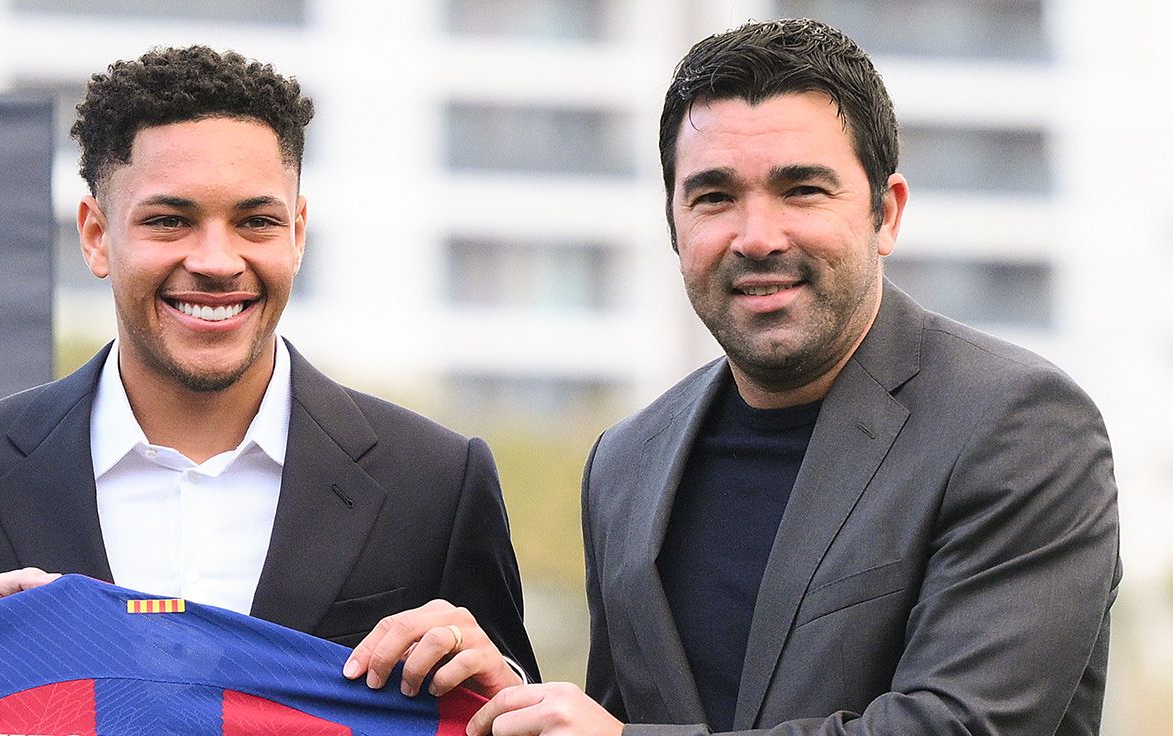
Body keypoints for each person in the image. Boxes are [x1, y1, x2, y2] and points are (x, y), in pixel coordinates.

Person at [464, 18, 1121, 736]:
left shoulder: (1020, 428)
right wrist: (502, 701)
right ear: (674, 226)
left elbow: (954, 726)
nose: (757, 236)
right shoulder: (626, 464)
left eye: (802, 190)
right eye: (714, 197)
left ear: (886, 213)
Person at [0, 45, 540, 689]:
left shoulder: (435, 479)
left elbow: (504, 708)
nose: (216, 260)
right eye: (170, 221)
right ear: (95, 234)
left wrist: (500, 688)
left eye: (255, 221)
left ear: (297, 232)